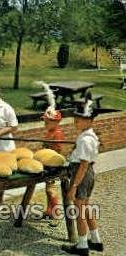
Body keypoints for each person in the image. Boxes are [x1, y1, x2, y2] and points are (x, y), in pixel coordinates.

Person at [62, 93, 103, 256]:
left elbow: (83, 164)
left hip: (82, 175)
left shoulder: (85, 139)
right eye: (75, 117)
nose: (75, 121)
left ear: (90, 121)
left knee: (79, 211)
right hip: (88, 174)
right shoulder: (89, 135)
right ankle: (96, 240)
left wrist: (73, 187)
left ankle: (82, 246)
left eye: (80, 119)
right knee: (86, 207)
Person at [39, 81, 65, 223]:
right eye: (45, 121)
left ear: (55, 122)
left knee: (51, 189)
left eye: (48, 121)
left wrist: (49, 153)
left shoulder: (57, 134)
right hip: (47, 164)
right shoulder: (49, 132)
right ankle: (49, 209)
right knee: (48, 188)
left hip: (54, 165)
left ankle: (56, 214)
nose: (45, 123)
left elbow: (58, 151)